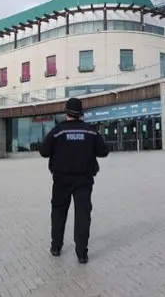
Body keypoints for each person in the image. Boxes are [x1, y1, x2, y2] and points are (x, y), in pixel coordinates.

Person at [39, 97, 109, 264]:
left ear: (66, 113)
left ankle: (56, 247)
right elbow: (104, 151)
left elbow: (43, 151)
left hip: (61, 180)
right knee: (83, 215)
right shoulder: (90, 131)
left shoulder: (58, 131)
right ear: (80, 114)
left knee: (58, 213)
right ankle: (82, 254)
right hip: (84, 180)